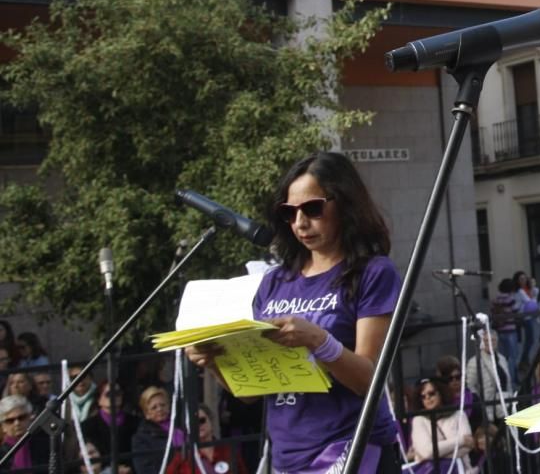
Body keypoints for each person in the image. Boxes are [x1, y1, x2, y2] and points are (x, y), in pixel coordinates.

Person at [185, 151, 401, 474]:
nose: (300, 222)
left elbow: (369, 378)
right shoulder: (274, 282)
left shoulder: (373, 273)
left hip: (352, 449)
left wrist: (318, 340)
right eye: (289, 212)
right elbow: (251, 395)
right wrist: (214, 362)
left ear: (344, 204)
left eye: (312, 209)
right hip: (287, 457)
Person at [406, 379, 475, 474]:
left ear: (440, 393)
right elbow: (427, 452)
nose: (427, 398)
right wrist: (461, 441)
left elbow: (467, 447)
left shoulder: (459, 414)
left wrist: (432, 456)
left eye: (431, 393)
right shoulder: (419, 420)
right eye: (423, 396)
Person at [164, 404, 247, 474]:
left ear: (210, 421)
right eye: (193, 423)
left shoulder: (229, 450)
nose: (198, 425)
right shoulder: (183, 456)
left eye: (202, 420)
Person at [81, 381, 135, 474]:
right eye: (109, 394)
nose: (114, 397)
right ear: (99, 399)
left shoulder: (135, 422)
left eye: (118, 393)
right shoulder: (88, 426)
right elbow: (89, 455)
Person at [131, 386, 181, 474]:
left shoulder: (181, 428)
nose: (160, 409)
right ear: (147, 414)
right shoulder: (140, 439)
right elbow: (145, 470)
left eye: (163, 405)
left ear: (169, 406)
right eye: (154, 407)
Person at [464, 331, 509, 422]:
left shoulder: (502, 359)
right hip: (487, 407)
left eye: (493, 340)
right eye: (486, 340)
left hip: (504, 404)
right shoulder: (475, 361)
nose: (490, 343)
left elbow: (508, 384)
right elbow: (470, 386)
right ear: (482, 343)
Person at [1, 394, 48, 473]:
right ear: (3, 427)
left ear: (30, 418)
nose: (17, 423)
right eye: (10, 420)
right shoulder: (1, 454)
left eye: (22, 418)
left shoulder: (46, 446)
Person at [487, 281, 520, 389]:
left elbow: (491, 313)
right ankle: (512, 380)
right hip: (510, 330)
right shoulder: (510, 299)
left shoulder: (495, 300)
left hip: (499, 331)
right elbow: (516, 311)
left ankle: (504, 381)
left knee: (503, 357)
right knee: (512, 357)